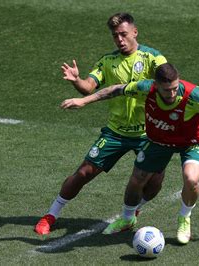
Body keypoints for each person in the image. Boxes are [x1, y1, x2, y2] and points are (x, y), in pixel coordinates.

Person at [60, 63, 199, 244]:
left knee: (191, 180)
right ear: (156, 85)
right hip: (159, 141)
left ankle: (184, 218)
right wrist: (84, 101)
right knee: (136, 179)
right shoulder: (145, 88)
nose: (172, 93)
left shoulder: (194, 95)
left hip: (192, 142)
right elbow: (116, 90)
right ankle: (127, 218)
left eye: (175, 88)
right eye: (167, 90)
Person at [35, 13, 168, 235]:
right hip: (116, 132)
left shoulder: (153, 58)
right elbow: (89, 87)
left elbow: (168, 78)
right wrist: (77, 80)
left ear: (135, 32)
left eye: (123, 34)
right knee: (84, 172)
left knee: (155, 179)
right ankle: (51, 214)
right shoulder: (108, 61)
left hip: (148, 133)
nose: (120, 40)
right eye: (115, 36)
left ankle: (134, 211)